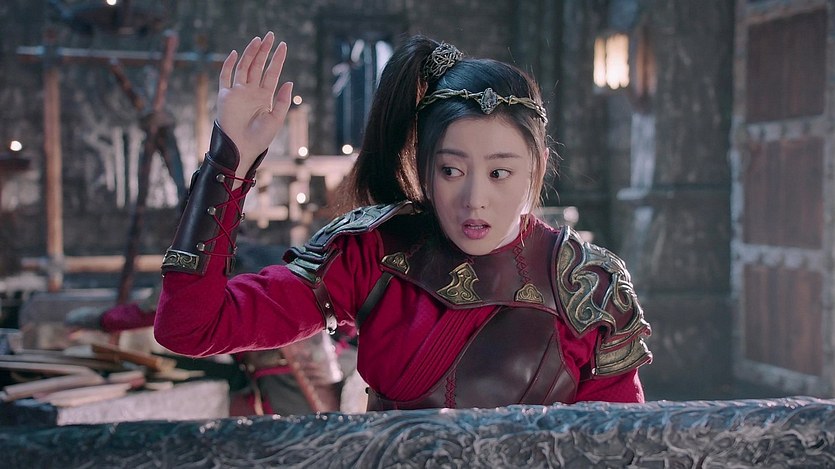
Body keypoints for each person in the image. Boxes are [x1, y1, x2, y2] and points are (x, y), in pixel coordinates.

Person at [154, 31, 652, 410]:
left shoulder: (588, 287)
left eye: (500, 172)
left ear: (537, 165)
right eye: (451, 170)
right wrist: (230, 162)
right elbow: (190, 328)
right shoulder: (372, 251)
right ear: (424, 166)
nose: (474, 199)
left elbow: (617, 447)